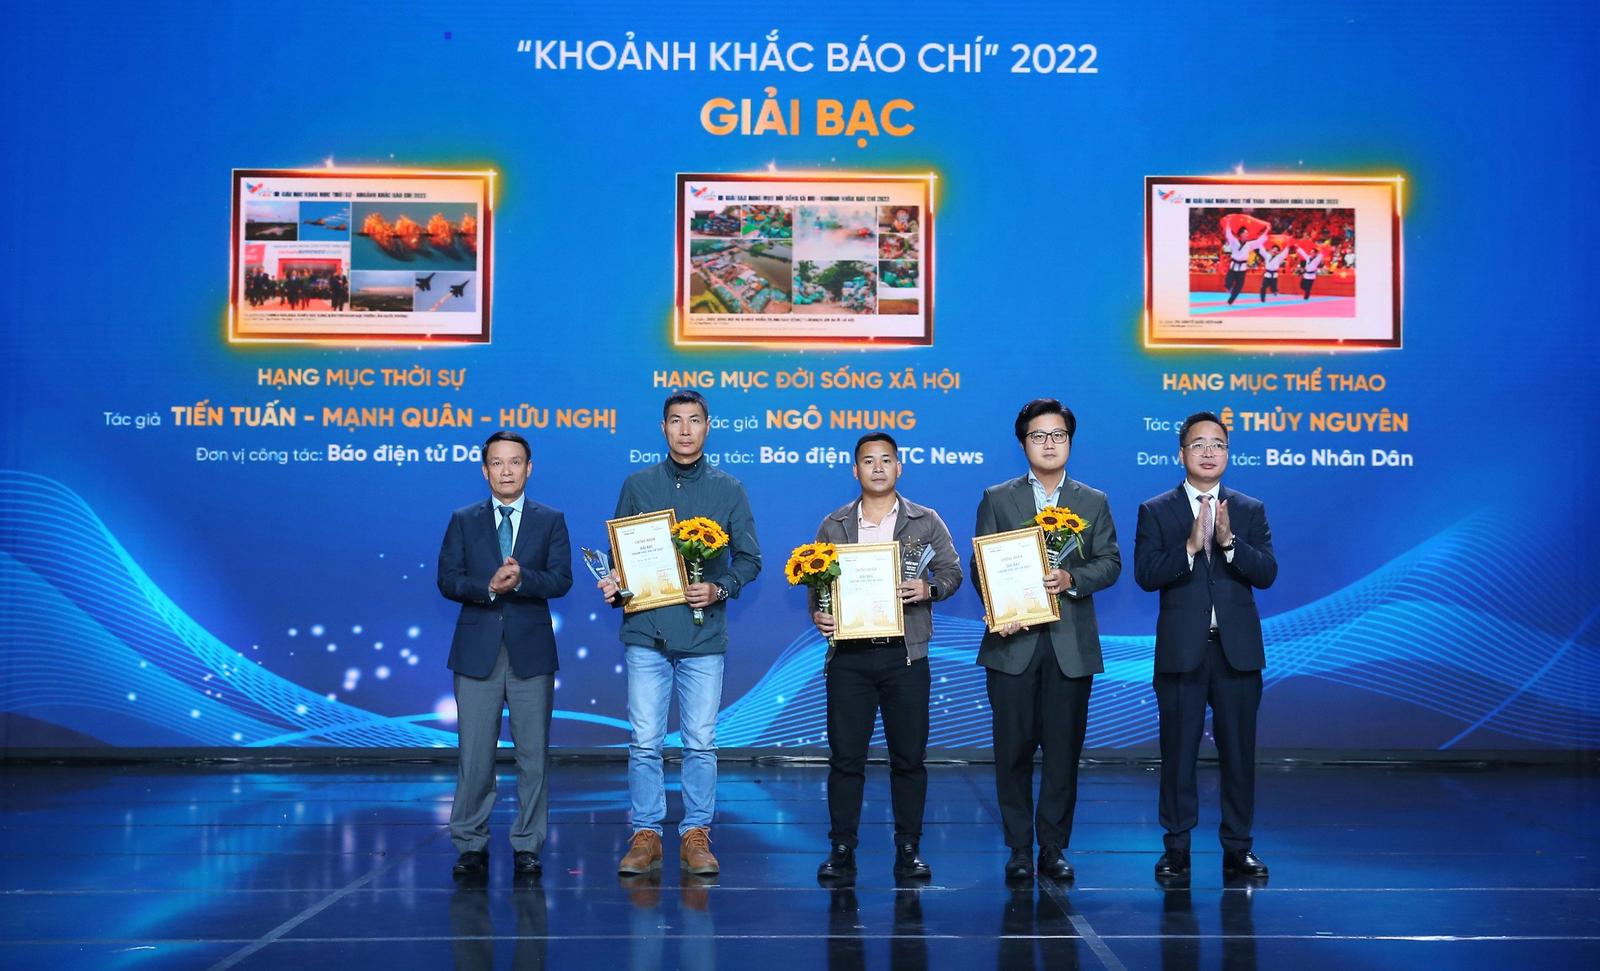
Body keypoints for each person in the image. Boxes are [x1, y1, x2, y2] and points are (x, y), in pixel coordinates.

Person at [601, 390, 761, 877]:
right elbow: (623, 556)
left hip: (703, 636)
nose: (685, 430)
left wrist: (719, 588)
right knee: (644, 741)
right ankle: (646, 833)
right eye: (676, 420)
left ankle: (696, 833)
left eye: (694, 420)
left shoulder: (729, 489)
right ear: (663, 428)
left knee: (701, 742)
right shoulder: (638, 485)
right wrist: (615, 583)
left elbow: (750, 559)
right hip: (646, 632)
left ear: (708, 427)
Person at [973, 399, 1121, 882]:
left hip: (1069, 646)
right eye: (1039, 435)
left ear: (1070, 442)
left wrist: (1071, 579)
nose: (1049, 443)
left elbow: (1110, 563)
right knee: (1012, 752)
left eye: (1058, 435)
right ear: (1023, 443)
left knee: (1062, 752)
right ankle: (1019, 848)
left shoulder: (1092, 501)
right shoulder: (998, 498)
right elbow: (981, 565)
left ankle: (1053, 847)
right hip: (1012, 644)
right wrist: (1000, 605)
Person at [810, 432, 963, 883]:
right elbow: (816, 581)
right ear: (854, 470)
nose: (877, 468)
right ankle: (841, 848)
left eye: (886, 460)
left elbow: (952, 572)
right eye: (868, 461)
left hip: (906, 657)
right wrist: (820, 613)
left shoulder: (925, 520)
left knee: (909, 758)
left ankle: (909, 849)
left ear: (899, 467)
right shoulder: (834, 524)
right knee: (845, 759)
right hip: (849, 659)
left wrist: (928, 589)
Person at [1134, 411, 1277, 885]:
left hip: (1237, 654)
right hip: (1182, 653)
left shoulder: (1249, 509)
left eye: (1218, 444)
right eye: (1199, 444)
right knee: (1178, 754)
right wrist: (1190, 548)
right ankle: (1176, 848)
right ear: (1181, 453)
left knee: (1240, 754)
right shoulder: (1156, 510)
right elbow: (1146, 575)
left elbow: (1267, 573)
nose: (1209, 452)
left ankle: (1239, 847)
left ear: (1228, 453)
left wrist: (1229, 543)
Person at [437, 430, 573, 880]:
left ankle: (528, 844)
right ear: (485, 470)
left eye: (515, 462)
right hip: (476, 653)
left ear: (529, 468)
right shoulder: (463, 519)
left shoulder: (550, 519)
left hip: (531, 653)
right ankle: (470, 843)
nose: (507, 470)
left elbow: (561, 580)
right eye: (497, 463)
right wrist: (489, 588)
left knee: (533, 756)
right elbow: (448, 580)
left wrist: (523, 579)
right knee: (474, 756)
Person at [1222, 223, 1264, 305]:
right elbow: (1228, 234)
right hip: (1233, 267)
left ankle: (1230, 301)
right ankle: (1229, 288)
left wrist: (1266, 231)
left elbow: (1259, 242)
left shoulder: (1249, 244)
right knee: (1228, 283)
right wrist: (1228, 223)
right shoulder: (1234, 242)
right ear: (1241, 234)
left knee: (1239, 286)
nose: (1247, 235)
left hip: (1242, 268)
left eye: (1248, 233)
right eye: (1246, 233)